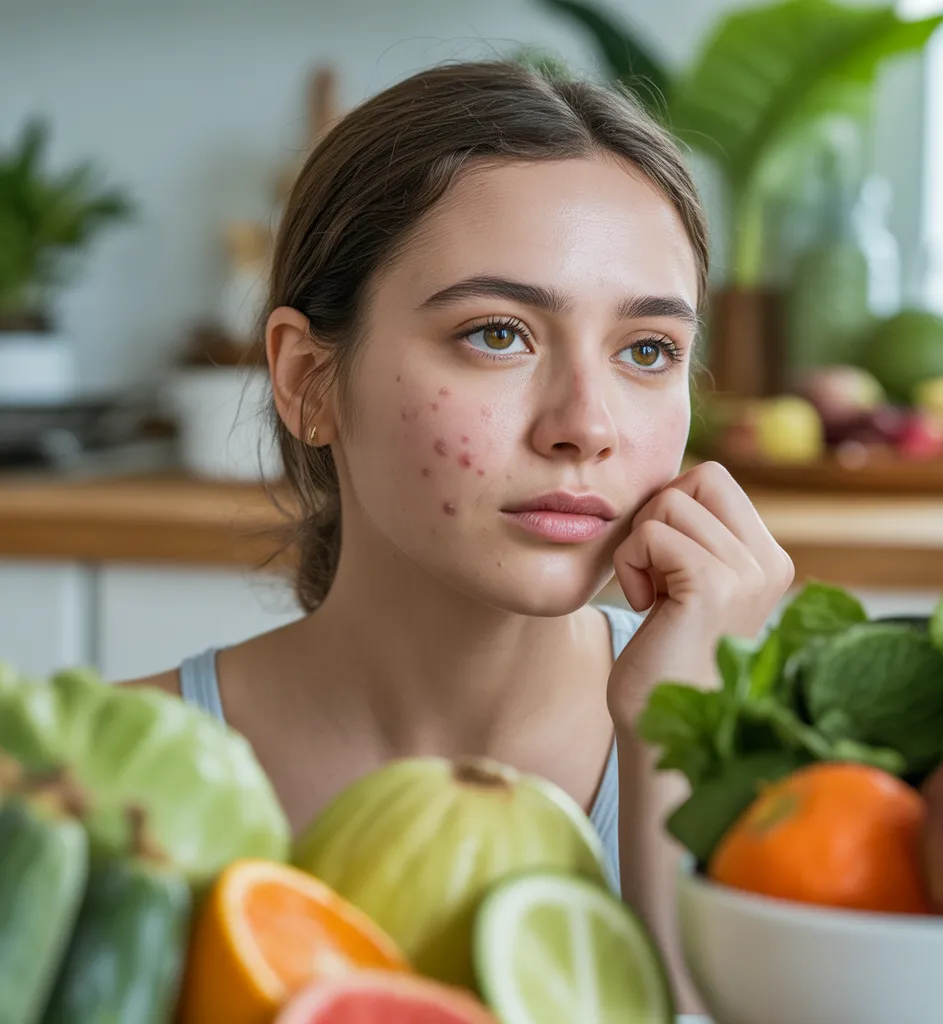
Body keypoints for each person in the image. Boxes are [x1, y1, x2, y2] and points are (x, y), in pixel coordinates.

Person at [130, 59, 794, 1012]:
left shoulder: (788, 784)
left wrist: (679, 738)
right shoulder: (77, 786)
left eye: (647, 351)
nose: (586, 423)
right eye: (498, 333)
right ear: (308, 379)